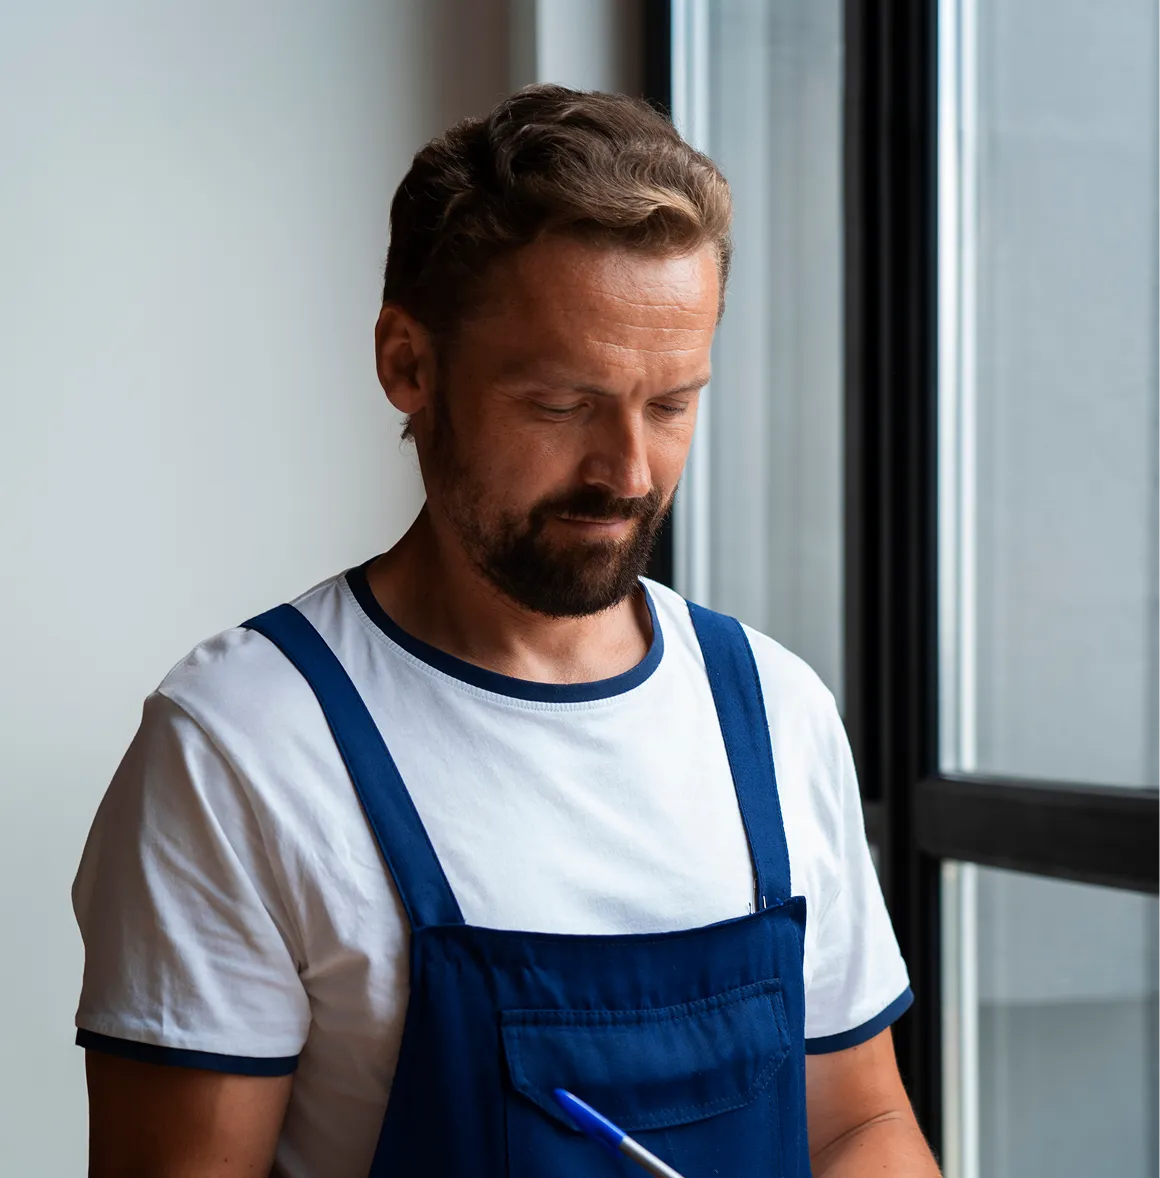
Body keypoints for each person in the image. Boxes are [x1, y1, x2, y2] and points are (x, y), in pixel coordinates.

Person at [73, 85, 941, 1178]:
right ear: (409, 364)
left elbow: (855, 1121)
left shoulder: (772, 710)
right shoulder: (240, 747)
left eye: (670, 405)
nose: (627, 472)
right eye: (560, 404)